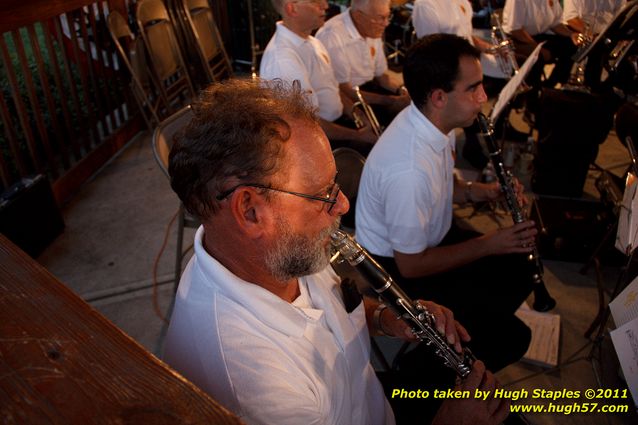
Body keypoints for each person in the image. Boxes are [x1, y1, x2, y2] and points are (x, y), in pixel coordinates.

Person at [163, 78, 509, 425]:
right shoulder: (257, 391)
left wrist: (384, 319)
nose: (342, 204)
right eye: (323, 192)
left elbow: (334, 307)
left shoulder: (281, 247)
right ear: (250, 211)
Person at [355, 33, 534, 374]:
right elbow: (411, 266)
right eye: (473, 89)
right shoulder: (407, 169)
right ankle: (431, 369)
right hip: (398, 268)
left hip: (430, 237)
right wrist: (488, 243)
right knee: (512, 337)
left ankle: (474, 321)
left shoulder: (437, 122)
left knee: (519, 266)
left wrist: (478, 191)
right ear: (438, 97)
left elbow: (443, 186)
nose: (484, 97)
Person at [411, 0, 528, 169]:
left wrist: (492, 49)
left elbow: (467, 36)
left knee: (518, 65)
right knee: (469, 91)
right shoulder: (426, 5)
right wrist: (466, 71)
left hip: (468, 57)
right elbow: (430, 52)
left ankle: (500, 122)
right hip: (446, 65)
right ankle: (471, 142)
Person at [260, 0, 377, 155]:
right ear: (292, 8)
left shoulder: (313, 41)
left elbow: (331, 89)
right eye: (316, 1)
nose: (325, 5)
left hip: (336, 124)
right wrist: (358, 136)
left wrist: (359, 114)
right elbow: (305, 125)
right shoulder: (283, 60)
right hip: (315, 144)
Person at [315, 0, 410, 125]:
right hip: (348, 100)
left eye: (388, 16)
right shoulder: (332, 37)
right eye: (381, 18)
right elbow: (344, 91)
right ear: (359, 16)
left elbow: (381, 76)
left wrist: (401, 90)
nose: (386, 23)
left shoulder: (372, 28)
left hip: (370, 89)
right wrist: (390, 101)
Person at [502, 0, 582, 89]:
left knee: (570, 44)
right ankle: (533, 90)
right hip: (515, 39)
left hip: (537, 36)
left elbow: (555, 24)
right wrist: (538, 48)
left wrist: (571, 34)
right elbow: (515, 30)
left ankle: (552, 84)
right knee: (537, 55)